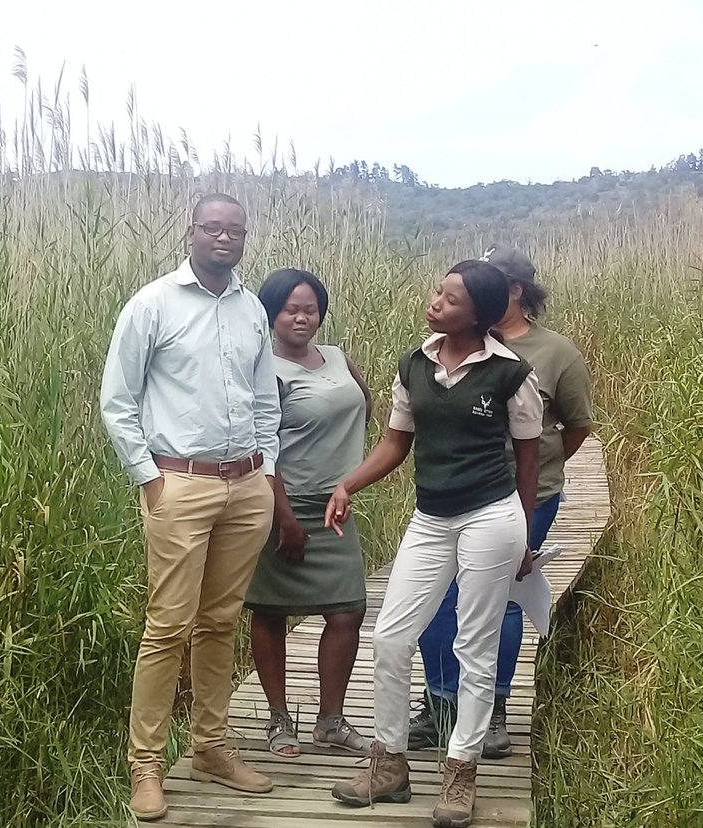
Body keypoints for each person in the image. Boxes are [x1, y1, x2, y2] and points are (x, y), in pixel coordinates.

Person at [327, 260, 543, 828]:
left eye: (450, 298)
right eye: (437, 292)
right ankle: (389, 765)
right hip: (431, 518)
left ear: (480, 314)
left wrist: (522, 530)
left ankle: (460, 771)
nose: (436, 302)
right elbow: (396, 443)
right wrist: (347, 483)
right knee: (391, 638)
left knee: (475, 646)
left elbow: (528, 458)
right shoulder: (413, 365)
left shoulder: (511, 373)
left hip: (491, 518)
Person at [99, 192, 280, 822]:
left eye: (235, 229)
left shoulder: (252, 307)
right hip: (180, 484)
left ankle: (211, 749)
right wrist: (148, 479)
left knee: (220, 621)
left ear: (244, 237)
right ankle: (145, 766)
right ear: (191, 231)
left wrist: (268, 470)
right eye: (213, 227)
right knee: (167, 625)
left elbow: (265, 400)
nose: (224, 238)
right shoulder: (153, 304)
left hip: (246, 486)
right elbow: (117, 399)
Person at [408, 246, 594, 759]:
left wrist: (541, 467)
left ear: (513, 291)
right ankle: (441, 705)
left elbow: (577, 426)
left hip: (525, 494)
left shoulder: (555, 353)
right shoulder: (455, 344)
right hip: (455, 494)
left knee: (504, 599)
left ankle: (492, 709)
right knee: (442, 599)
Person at [243, 269, 373, 758]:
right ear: (270, 314)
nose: (301, 317)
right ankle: (279, 721)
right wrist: (285, 519)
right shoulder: (264, 369)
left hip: (334, 505)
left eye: (311, 308)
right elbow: (261, 445)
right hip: (283, 503)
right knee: (271, 610)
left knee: (348, 611)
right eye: (290, 309)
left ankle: (331, 721)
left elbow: (365, 403)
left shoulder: (337, 358)